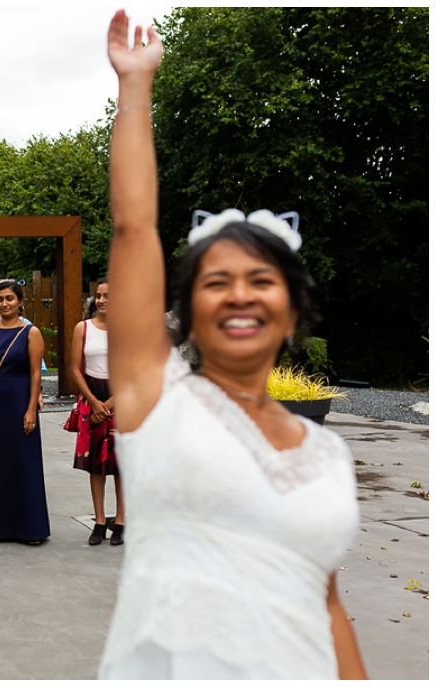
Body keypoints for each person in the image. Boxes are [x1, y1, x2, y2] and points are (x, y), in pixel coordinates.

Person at [97, 11, 364, 679]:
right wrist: (136, 88)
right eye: (217, 281)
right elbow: (135, 229)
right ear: (185, 311)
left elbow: (327, 603)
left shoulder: (327, 452)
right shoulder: (155, 400)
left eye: (261, 280)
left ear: (293, 306)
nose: (241, 293)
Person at [0, 280, 50, 544]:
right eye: (0, 299)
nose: (4, 304)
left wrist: (30, 409)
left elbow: (36, 372)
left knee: (24, 463)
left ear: (21, 302)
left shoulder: (30, 332)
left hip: (19, 400)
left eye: (10, 299)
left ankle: (31, 528)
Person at [69, 279, 125, 546]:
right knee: (96, 464)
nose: (101, 300)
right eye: (98, 296)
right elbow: (74, 369)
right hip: (92, 397)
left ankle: (122, 522)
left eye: (108, 296)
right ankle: (100, 521)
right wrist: (93, 402)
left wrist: (110, 404)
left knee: (120, 463)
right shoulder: (83, 328)